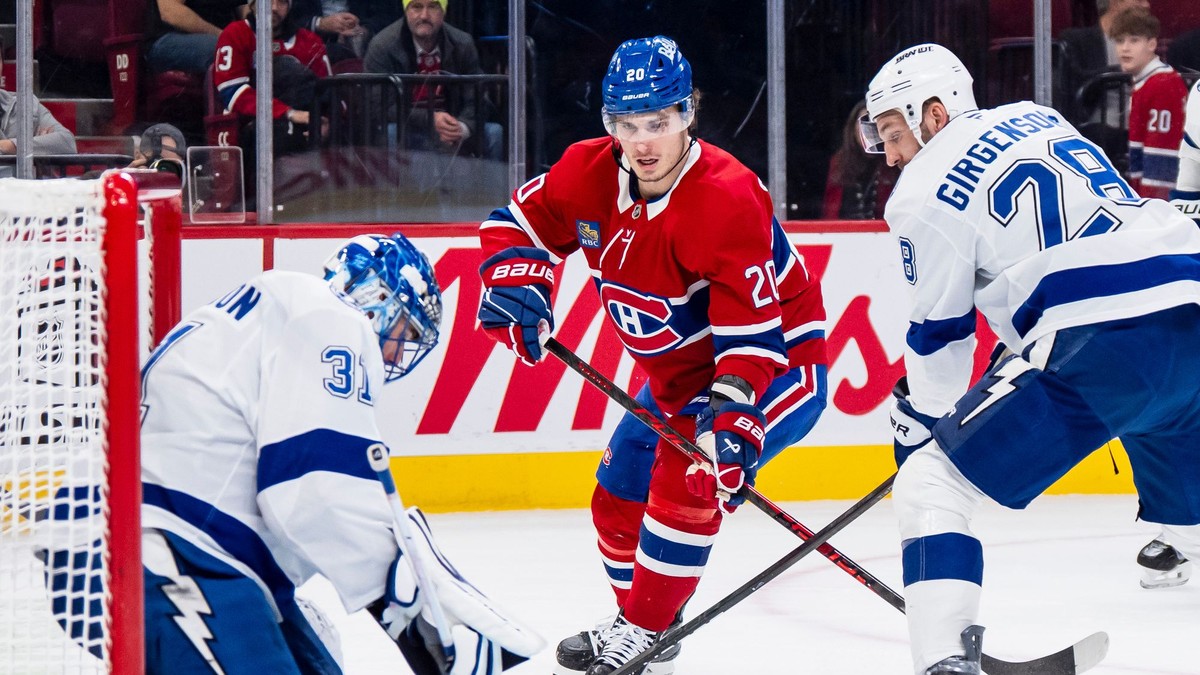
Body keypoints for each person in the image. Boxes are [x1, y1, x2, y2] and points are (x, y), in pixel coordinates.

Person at [477, 35, 828, 675]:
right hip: (673, 380)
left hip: (777, 364)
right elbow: (516, 222)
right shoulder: (586, 172)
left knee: (688, 474)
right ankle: (642, 623)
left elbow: (751, 340)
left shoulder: (727, 196)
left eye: (659, 122)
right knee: (615, 496)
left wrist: (735, 419)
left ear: (688, 113)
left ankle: (645, 627)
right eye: (628, 124)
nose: (643, 142)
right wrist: (514, 278)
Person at [860, 42, 1200, 674]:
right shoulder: (1038, 116)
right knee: (1192, 509)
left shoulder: (919, 193)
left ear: (934, 114)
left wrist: (924, 432)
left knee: (932, 483)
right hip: (1190, 294)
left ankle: (944, 664)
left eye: (894, 131)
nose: (894, 154)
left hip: (1104, 332)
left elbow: (941, 340)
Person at [139, 233, 543, 674]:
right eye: (404, 330)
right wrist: (404, 598)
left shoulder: (272, 310)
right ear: (377, 297)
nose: (396, 350)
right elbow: (314, 492)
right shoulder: (330, 317)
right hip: (172, 546)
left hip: (170, 537)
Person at [364, 0, 503, 161]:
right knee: (392, 133)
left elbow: (478, 98)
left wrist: (462, 127)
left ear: (443, 12)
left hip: (451, 123)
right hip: (407, 126)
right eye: (416, 7)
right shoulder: (382, 46)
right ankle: (395, 187)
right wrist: (431, 119)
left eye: (433, 7)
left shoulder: (463, 43)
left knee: (494, 133)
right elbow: (380, 107)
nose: (424, 16)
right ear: (406, 11)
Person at [214, 0, 331, 158]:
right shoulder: (235, 34)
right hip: (250, 126)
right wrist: (288, 113)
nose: (274, 8)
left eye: (281, 2)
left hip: (305, 122)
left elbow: (329, 93)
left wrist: (325, 122)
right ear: (253, 4)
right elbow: (232, 93)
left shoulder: (310, 41)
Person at [1109, 8, 1188, 200]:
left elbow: (1161, 159)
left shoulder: (1162, 84)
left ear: (1151, 44)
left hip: (1163, 202)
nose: (1125, 48)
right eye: (1120, 41)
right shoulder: (1149, 82)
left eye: (1134, 40)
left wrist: (1150, 208)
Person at [1058, 0, 1151, 157]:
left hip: (1143, 121)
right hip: (1100, 125)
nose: (1146, 5)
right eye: (1139, 0)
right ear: (1115, 3)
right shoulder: (1078, 40)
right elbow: (1074, 85)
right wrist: (1118, 73)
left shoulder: (1145, 42)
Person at [822, 100, 897, 220]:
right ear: (853, 128)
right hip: (844, 232)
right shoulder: (840, 162)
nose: (867, 133)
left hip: (882, 232)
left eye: (872, 125)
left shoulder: (892, 159)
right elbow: (830, 209)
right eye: (862, 126)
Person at [145, 0, 249, 75]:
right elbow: (170, 13)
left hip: (222, 38)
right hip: (168, 39)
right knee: (225, 52)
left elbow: (244, 9)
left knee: (257, 51)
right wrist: (225, 37)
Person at [0, 88, 77, 177]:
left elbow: (67, 143)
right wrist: (39, 147)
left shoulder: (25, 103)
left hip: (27, 188)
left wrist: (9, 145)